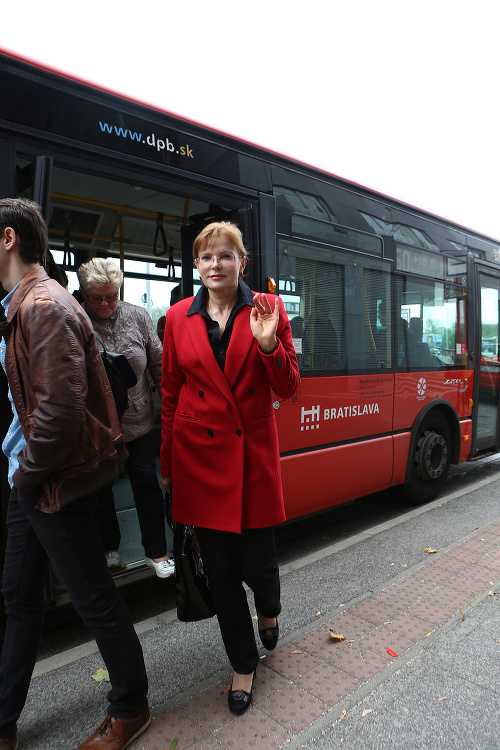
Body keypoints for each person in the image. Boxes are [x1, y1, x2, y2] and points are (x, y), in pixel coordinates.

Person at [0, 198, 150, 749]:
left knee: (91, 596)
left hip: (50, 479)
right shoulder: (25, 303)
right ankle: (3, 719)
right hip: (34, 473)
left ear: (9, 239)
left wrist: (27, 476)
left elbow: (61, 410)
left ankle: (131, 707)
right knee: (19, 596)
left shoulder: (42, 306)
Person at [160, 221, 300, 715]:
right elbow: (171, 395)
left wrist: (267, 346)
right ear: (196, 266)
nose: (214, 264)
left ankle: (269, 607)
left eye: (224, 255)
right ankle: (243, 664)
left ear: (243, 262)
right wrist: (168, 468)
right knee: (220, 575)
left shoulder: (269, 308)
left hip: (252, 458)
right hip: (198, 461)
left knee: (258, 563)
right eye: (205, 257)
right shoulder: (177, 319)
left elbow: (288, 388)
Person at [77, 258, 174, 578]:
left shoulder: (137, 315)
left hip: (139, 417)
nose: (105, 303)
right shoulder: (74, 319)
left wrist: (171, 407)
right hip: (96, 423)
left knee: (146, 485)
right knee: (101, 489)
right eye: (97, 298)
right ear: (84, 293)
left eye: (111, 296)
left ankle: (157, 553)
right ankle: (109, 549)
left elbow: (158, 364)